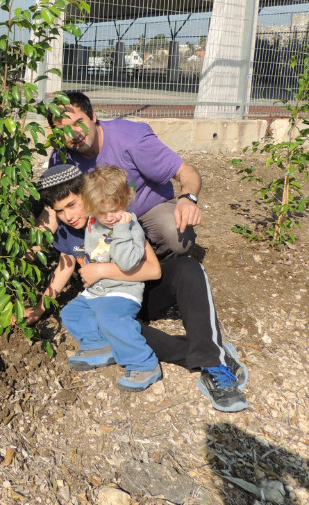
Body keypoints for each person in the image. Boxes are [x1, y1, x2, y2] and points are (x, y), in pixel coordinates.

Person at [27, 164, 249, 412]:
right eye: (60, 211)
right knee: (115, 329)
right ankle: (212, 353)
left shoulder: (113, 217)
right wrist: (39, 308)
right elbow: (64, 267)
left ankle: (212, 362)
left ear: (89, 196)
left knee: (187, 268)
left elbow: (153, 270)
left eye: (72, 204)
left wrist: (102, 270)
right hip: (109, 304)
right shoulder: (69, 232)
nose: (69, 215)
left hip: (136, 290)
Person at [46, 90, 202, 261]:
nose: (74, 134)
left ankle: (155, 268)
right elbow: (56, 203)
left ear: (93, 116)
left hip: (147, 212)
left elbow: (186, 171)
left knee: (176, 234)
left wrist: (187, 198)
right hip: (101, 217)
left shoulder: (132, 139)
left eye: (78, 123)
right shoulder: (61, 156)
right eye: (63, 129)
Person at [60, 165, 162, 392]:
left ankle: (144, 364)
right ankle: (100, 345)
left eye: (115, 210)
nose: (110, 218)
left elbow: (127, 263)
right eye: (102, 212)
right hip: (98, 289)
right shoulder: (94, 221)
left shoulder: (130, 226)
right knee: (70, 312)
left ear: (125, 201)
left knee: (110, 317)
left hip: (123, 289)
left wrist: (122, 231)